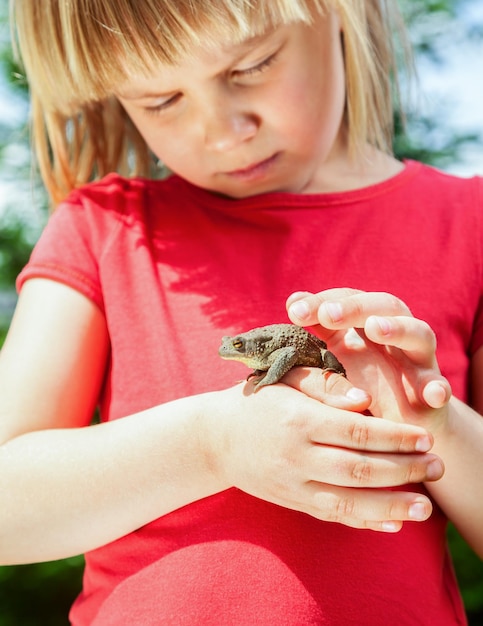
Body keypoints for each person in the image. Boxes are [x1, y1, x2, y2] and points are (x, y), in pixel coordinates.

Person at [2, 0, 482, 623]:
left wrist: (435, 420)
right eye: (161, 100)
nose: (226, 129)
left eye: (252, 64)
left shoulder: (466, 225)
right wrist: (211, 445)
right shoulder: (103, 229)